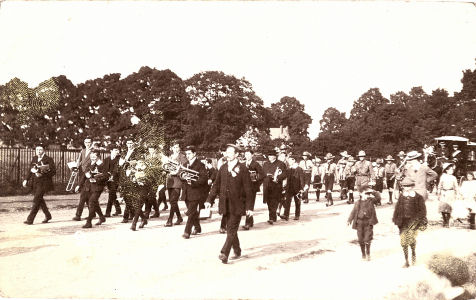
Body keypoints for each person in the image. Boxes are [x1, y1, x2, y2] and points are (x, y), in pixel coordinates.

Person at [205, 144, 253, 264]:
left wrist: (249, 207)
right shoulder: (223, 168)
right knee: (231, 229)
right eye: (227, 152)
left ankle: (224, 253)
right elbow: (216, 185)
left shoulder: (243, 169)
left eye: (231, 152)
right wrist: (208, 200)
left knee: (231, 228)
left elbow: (248, 189)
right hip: (225, 204)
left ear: (237, 154)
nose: (228, 154)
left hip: (237, 204)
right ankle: (237, 250)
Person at [392, 177, 427, 267]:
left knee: (411, 240)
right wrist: (395, 220)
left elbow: (422, 211)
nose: (406, 188)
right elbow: (397, 209)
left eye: (408, 186)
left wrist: (417, 221)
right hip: (402, 222)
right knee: (403, 242)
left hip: (413, 222)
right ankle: (406, 261)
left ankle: (413, 255)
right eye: (404, 186)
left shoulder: (418, 197)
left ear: (412, 186)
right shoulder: (401, 196)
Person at [22, 144, 55, 225]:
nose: (38, 151)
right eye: (37, 150)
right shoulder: (34, 158)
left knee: (36, 199)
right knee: (40, 199)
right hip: (35, 183)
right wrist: (26, 179)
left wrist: (42, 174)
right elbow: (30, 170)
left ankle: (30, 219)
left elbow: (53, 172)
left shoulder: (49, 159)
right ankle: (48, 215)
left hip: (44, 183)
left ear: (44, 150)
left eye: (40, 149)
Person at [181, 146, 208, 239]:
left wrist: (192, 181)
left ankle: (187, 231)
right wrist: (183, 176)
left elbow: (204, 179)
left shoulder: (200, 165)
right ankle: (197, 227)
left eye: (189, 154)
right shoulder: (185, 164)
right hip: (186, 192)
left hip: (196, 192)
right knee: (193, 212)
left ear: (194, 153)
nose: (187, 156)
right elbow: (180, 175)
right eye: (186, 154)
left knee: (191, 212)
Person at [78, 149, 109, 228]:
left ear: (98, 156)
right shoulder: (89, 164)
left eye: (94, 157)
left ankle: (89, 222)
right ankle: (102, 217)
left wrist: (96, 178)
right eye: (91, 157)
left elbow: (106, 177)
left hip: (97, 187)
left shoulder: (102, 165)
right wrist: (79, 185)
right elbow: (84, 175)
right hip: (88, 187)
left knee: (92, 202)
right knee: (93, 203)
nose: (92, 158)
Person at [347, 185, 378, 261]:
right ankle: (363, 254)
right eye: (365, 193)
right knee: (360, 239)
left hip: (368, 222)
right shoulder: (358, 202)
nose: (367, 195)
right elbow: (353, 212)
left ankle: (368, 253)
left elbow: (378, 198)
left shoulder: (371, 200)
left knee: (367, 239)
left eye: (368, 194)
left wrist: (373, 192)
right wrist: (349, 220)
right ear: (360, 194)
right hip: (359, 223)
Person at [118, 139, 142, 223]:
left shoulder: (137, 152)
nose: (129, 145)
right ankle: (132, 214)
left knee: (130, 196)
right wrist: (124, 161)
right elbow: (120, 163)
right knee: (126, 196)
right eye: (128, 143)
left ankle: (125, 216)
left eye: (131, 143)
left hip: (132, 175)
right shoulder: (124, 152)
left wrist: (128, 162)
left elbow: (138, 162)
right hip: (124, 175)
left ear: (133, 144)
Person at [164, 142, 188, 227]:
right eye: (174, 147)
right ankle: (179, 217)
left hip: (177, 181)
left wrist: (176, 172)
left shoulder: (183, 157)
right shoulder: (170, 157)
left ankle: (170, 220)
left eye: (177, 147)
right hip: (170, 181)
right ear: (172, 148)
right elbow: (166, 167)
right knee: (172, 201)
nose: (176, 149)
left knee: (173, 201)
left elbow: (184, 169)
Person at [72, 137, 94, 221]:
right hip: (82, 174)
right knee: (86, 196)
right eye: (86, 142)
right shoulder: (83, 151)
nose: (87, 143)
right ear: (84, 143)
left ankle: (78, 215)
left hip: (89, 174)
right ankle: (93, 213)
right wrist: (77, 165)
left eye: (89, 142)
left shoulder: (94, 151)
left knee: (83, 196)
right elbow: (80, 161)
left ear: (91, 143)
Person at [262, 150, 287, 224]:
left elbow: (285, 174)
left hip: (276, 185)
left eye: (271, 155)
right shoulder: (265, 164)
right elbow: (262, 173)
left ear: (275, 156)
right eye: (269, 155)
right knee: (269, 202)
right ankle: (272, 216)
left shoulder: (281, 164)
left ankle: (272, 218)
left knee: (275, 201)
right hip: (267, 185)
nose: (269, 157)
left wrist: (277, 177)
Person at [242, 148, 264, 230]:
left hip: (252, 187)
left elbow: (262, 175)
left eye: (248, 154)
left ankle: (247, 223)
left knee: (249, 205)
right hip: (243, 188)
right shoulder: (242, 164)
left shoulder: (256, 164)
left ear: (252, 155)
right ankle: (250, 221)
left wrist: (256, 182)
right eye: (245, 154)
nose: (246, 156)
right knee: (245, 205)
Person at [143, 145, 164, 220]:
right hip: (148, 179)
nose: (150, 151)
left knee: (151, 196)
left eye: (152, 149)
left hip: (156, 179)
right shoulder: (147, 157)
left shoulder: (158, 157)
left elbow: (162, 167)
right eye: (149, 149)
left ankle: (147, 212)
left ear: (155, 150)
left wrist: (152, 167)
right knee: (151, 196)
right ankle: (157, 211)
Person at [282, 155, 305, 221]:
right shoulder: (289, 169)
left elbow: (302, 179)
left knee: (297, 202)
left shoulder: (299, 169)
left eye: (290, 160)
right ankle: (286, 215)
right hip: (289, 188)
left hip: (297, 188)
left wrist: (301, 189)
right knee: (287, 201)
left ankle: (297, 215)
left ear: (294, 160)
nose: (288, 161)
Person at [103, 144, 122, 217]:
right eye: (115, 150)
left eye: (118, 150)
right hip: (108, 180)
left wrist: (112, 176)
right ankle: (118, 209)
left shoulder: (119, 159)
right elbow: (104, 170)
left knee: (111, 195)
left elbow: (117, 170)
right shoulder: (106, 159)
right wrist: (107, 176)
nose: (117, 152)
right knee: (113, 195)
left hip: (116, 180)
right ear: (111, 151)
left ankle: (108, 212)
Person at [437, 163, 459, 228]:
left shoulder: (453, 178)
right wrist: (438, 193)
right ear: (447, 170)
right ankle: (444, 220)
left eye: (452, 170)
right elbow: (439, 185)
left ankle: (447, 221)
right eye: (450, 170)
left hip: (451, 192)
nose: (452, 171)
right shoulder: (443, 177)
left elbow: (456, 187)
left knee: (449, 207)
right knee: (443, 207)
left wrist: (457, 194)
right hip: (444, 192)